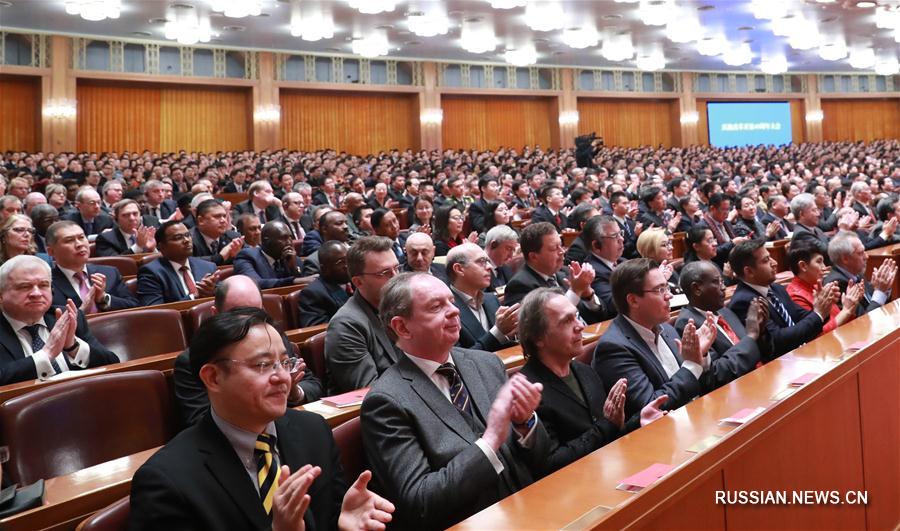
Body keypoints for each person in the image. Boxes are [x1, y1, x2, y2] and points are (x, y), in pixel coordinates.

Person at [130, 308, 394, 531]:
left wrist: (343, 524)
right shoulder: (166, 480)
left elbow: (331, 517)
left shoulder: (313, 431)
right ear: (213, 377)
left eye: (284, 362)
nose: (282, 378)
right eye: (263, 365)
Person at [360, 272, 549, 530]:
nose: (454, 310)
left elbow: (541, 458)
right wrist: (491, 440)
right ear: (402, 327)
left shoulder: (487, 363)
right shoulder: (386, 401)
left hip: (535, 507)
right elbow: (420, 502)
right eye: (436, 306)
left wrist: (525, 425)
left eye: (451, 301)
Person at [518, 288, 667, 476]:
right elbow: (552, 463)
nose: (580, 326)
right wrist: (608, 425)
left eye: (576, 316)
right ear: (538, 337)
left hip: (610, 471)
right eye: (567, 321)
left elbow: (606, 434)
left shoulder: (585, 371)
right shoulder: (528, 392)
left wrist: (637, 421)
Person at [173, 276, 323, 428]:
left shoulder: (275, 340)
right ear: (216, 314)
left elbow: (313, 385)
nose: (250, 324)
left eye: (256, 313)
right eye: (261, 364)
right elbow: (200, 421)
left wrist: (293, 392)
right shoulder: (191, 360)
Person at [591, 258, 718, 419]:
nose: (669, 296)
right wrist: (692, 365)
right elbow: (652, 407)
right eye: (660, 290)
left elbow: (701, 385)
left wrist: (701, 356)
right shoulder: (613, 348)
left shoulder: (667, 329)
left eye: (667, 287)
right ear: (633, 300)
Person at [0, 255, 119, 385]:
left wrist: (73, 347)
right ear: (1, 295)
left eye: (43, 285)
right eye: (25, 286)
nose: (37, 293)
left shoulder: (67, 316)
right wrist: (46, 354)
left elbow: (112, 364)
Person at [727, 239, 836, 360]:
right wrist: (818, 314)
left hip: (800, 356)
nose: (774, 263)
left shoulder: (776, 288)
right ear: (749, 271)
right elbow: (777, 339)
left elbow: (802, 316)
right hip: (780, 364)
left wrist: (823, 305)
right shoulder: (744, 302)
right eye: (766, 260)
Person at [324, 236, 403, 394]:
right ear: (358, 282)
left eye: (397, 268)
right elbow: (370, 391)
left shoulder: (405, 306)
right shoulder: (346, 326)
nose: (396, 278)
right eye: (385, 273)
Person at [675, 261, 770, 388]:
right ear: (697, 288)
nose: (724, 287)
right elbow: (717, 374)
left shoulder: (724, 311)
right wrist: (751, 336)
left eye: (722, 281)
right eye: (716, 282)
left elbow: (758, 351)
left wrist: (761, 332)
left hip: (761, 377)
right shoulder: (688, 324)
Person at [503, 222, 607, 324]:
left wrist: (588, 295)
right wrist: (575, 291)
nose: (562, 251)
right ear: (533, 256)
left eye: (561, 245)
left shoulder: (565, 272)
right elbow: (541, 326)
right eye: (554, 248)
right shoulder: (519, 285)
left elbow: (601, 316)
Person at [46, 221, 138, 313]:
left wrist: (103, 298)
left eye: (81, 237)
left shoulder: (110, 273)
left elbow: (133, 306)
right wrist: (81, 312)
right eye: (69, 240)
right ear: (51, 251)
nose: (79, 244)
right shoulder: (46, 284)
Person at [445, 243, 518, 352]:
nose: (489, 267)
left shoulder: (491, 299)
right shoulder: (446, 309)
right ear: (459, 269)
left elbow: (502, 344)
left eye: (488, 261)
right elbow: (460, 358)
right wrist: (497, 332)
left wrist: (512, 334)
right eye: (481, 261)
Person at [785, 239, 863, 335]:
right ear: (803, 266)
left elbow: (840, 321)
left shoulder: (817, 286)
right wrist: (846, 310)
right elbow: (816, 335)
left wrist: (851, 305)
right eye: (819, 262)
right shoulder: (795, 297)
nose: (824, 267)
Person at [136, 221, 219, 306]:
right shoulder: (151, 273)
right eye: (178, 238)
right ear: (161, 246)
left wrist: (213, 293)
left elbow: (222, 300)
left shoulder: (208, 267)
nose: (186, 240)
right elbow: (154, 309)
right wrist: (194, 296)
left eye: (187, 235)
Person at [823, 231, 897, 317]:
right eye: (861, 253)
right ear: (845, 259)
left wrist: (884, 288)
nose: (866, 256)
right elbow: (863, 320)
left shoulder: (856, 273)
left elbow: (871, 302)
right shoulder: (836, 284)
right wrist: (880, 292)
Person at [234, 221, 306, 289]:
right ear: (266, 240)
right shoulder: (247, 256)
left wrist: (293, 268)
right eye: (283, 238)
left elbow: (304, 281)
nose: (289, 242)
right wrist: (292, 281)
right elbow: (254, 283)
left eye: (290, 238)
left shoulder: (291, 256)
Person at [297, 241, 353, 327]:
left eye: (348, 260)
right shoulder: (312, 293)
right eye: (340, 262)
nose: (347, 266)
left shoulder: (358, 283)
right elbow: (316, 327)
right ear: (324, 269)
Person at [584, 216, 626, 316]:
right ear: (596, 245)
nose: (621, 239)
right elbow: (615, 306)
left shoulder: (623, 261)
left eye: (620, 233)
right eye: (614, 236)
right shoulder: (592, 273)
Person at [190, 199, 244, 265]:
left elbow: (250, 258)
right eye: (217, 216)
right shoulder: (189, 240)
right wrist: (220, 257)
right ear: (201, 220)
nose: (223, 220)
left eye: (224, 216)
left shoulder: (234, 238)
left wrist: (238, 256)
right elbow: (188, 262)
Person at [299, 210, 350, 277]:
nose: (345, 226)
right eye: (339, 223)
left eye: (346, 223)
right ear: (324, 229)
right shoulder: (314, 262)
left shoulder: (354, 251)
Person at [636, 227, 681, 294]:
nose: (671, 247)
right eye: (664, 245)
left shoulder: (668, 267)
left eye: (669, 243)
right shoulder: (644, 275)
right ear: (650, 251)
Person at [484, 225, 518, 292]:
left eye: (513, 250)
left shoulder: (506, 268)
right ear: (493, 245)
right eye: (508, 249)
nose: (511, 256)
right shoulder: (478, 270)